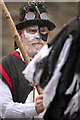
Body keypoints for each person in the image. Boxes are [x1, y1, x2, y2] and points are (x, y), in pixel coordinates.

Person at [0, 2, 56, 119]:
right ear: (19, 34)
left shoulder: (57, 64)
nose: (38, 36)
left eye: (43, 31)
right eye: (32, 31)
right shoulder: (6, 65)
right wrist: (34, 109)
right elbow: (4, 109)